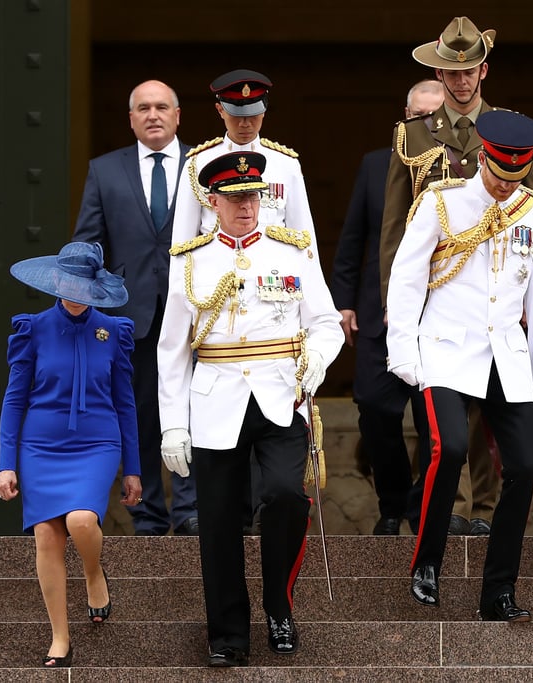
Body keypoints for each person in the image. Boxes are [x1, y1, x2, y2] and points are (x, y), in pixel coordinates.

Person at [157, 152, 343, 666]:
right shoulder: (190, 260)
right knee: (218, 520)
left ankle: (279, 605)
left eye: (252, 196)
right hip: (216, 398)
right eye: (234, 198)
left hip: (281, 395)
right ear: (211, 202)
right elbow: (172, 348)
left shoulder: (293, 252)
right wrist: (173, 423)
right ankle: (228, 634)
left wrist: (318, 361)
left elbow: (326, 322)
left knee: (286, 496)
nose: (245, 206)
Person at [381, 15, 533, 537]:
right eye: (450, 73)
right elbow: (395, 222)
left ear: (483, 71)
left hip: (496, 291)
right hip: (435, 294)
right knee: (441, 418)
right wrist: (395, 298)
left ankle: (481, 506)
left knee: (488, 413)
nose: (460, 81)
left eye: (468, 70)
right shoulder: (412, 134)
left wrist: (524, 293)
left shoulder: (510, 130)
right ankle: (447, 506)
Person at [386, 109, 533, 621]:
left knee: (524, 467)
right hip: (444, 348)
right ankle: (427, 563)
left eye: (515, 179)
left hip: (507, 355)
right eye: (499, 177)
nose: (506, 188)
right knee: (450, 447)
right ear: (483, 159)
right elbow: (406, 277)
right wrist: (404, 351)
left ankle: (499, 589)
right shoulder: (442, 203)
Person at [0, 242, 142, 668]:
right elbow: (14, 399)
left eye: (84, 283)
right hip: (40, 446)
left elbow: (125, 403)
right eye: (69, 282)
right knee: (47, 535)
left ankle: (94, 573)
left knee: (81, 521)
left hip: (97, 443)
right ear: (56, 281)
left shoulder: (114, 332)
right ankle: (60, 636)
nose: (76, 290)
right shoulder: (33, 328)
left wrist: (132, 468)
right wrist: (7, 462)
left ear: (96, 285)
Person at [72, 79, 198, 537]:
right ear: (131, 118)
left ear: (178, 115)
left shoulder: (203, 167)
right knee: (140, 412)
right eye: (143, 108)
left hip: (196, 311)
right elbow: (88, 242)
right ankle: (147, 512)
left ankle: (190, 509)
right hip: (132, 314)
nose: (153, 115)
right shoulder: (105, 170)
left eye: (162, 106)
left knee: (194, 410)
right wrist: (82, 306)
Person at [330, 80, 444, 535]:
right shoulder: (377, 165)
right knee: (376, 410)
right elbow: (353, 238)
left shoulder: (462, 169)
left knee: (434, 418)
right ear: (404, 116)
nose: (425, 127)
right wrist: (342, 303)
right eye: (418, 118)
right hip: (379, 312)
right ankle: (394, 503)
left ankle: (423, 507)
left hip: (439, 316)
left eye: (435, 121)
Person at [169, 69, 317, 250]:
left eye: (253, 115)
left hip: (272, 271)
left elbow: (304, 238)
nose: (245, 123)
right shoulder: (197, 163)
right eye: (237, 115)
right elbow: (182, 244)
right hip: (216, 271)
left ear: (264, 111)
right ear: (220, 110)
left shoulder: (286, 164)